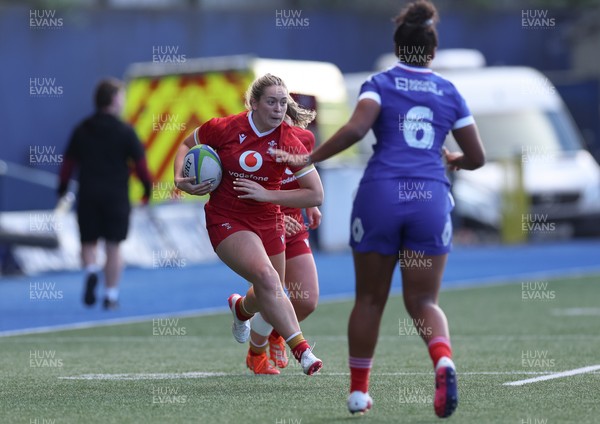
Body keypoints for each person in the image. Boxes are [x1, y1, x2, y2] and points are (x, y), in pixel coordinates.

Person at [271, 0, 485, 417]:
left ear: (396, 45)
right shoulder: (448, 91)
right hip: (430, 197)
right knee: (424, 301)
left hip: (381, 195)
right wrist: (453, 160)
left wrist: (307, 160)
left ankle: (358, 393)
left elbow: (355, 129)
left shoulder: (381, 83)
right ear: (433, 51)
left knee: (369, 299)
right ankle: (442, 358)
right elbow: (477, 156)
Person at [173, 74, 324, 376]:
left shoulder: (292, 141)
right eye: (271, 101)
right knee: (269, 279)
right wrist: (181, 181)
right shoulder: (226, 128)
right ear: (253, 103)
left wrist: (270, 195)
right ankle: (302, 351)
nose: (279, 108)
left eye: (283, 102)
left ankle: (241, 308)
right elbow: (187, 144)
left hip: (270, 219)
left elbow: (315, 192)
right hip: (227, 217)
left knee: (275, 290)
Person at [58, 77, 152, 310]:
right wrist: (147, 191)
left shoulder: (81, 129)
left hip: (88, 194)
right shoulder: (126, 131)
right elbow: (141, 167)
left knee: (88, 242)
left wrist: (61, 190)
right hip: (116, 197)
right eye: (121, 96)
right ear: (113, 99)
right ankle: (110, 296)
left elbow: (68, 165)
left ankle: (91, 270)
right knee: (113, 246)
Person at [245, 114, 322, 375]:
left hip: (293, 224)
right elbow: (244, 191)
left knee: (307, 300)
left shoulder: (303, 139)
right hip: (261, 223)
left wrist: (309, 204)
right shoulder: (247, 143)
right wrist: (277, 215)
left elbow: (305, 179)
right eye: (270, 104)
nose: (277, 113)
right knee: (272, 290)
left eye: (281, 105)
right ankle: (256, 354)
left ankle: (278, 331)